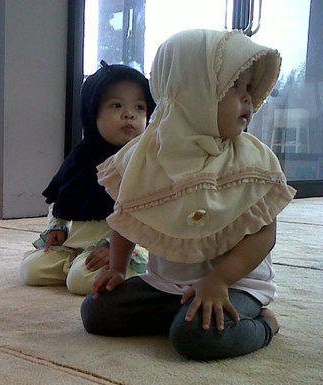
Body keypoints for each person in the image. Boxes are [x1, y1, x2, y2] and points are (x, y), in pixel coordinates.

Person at [82, 29, 296, 361]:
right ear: (192, 92)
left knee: (196, 339)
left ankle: (265, 324)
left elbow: (264, 235)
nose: (247, 99)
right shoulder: (144, 156)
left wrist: (219, 280)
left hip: (234, 284)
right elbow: (127, 214)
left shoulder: (252, 160)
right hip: (165, 285)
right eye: (234, 87)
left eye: (249, 88)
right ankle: (180, 315)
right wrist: (118, 268)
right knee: (97, 311)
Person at [20, 62, 154, 295]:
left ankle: (132, 266)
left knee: (81, 281)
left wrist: (116, 249)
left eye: (139, 107)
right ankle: (74, 261)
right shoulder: (80, 157)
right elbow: (59, 196)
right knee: (32, 269)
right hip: (76, 241)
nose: (129, 114)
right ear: (92, 113)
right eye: (116, 105)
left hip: (123, 243)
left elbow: (152, 213)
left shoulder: (144, 159)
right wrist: (57, 226)